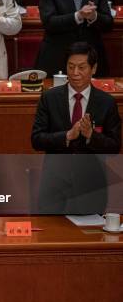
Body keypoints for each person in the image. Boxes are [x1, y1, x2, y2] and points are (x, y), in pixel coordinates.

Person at [31, 42, 121, 214]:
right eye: (70, 67)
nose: (75, 73)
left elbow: (114, 147)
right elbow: (36, 140)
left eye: (81, 67)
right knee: (51, 237)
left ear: (93, 69)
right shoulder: (49, 98)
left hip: (91, 187)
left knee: (89, 238)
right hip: (54, 186)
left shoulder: (106, 103)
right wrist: (67, 135)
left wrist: (90, 136)